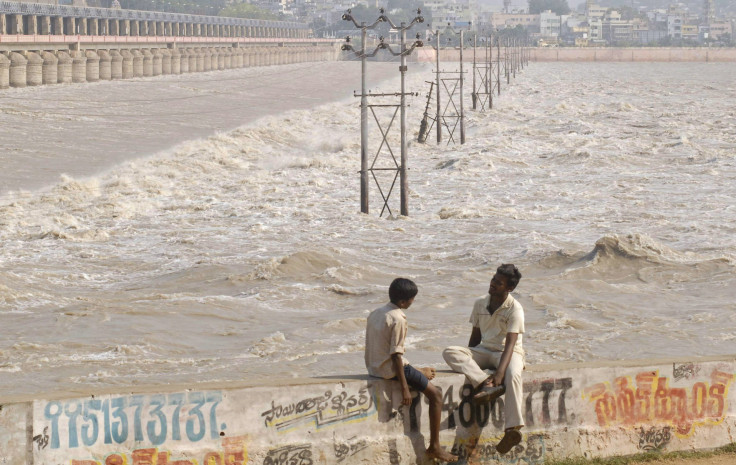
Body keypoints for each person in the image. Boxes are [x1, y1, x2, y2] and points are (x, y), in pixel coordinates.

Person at [365, 278, 458, 463]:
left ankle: (419, 371)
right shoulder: (398, 318)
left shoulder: (376, 312)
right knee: (436, 395)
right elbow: (396, 356)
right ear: (403, 302)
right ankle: (435, 447)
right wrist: (405, 386)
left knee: (419, 371)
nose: (412, 302)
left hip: (373, 367)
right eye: (412, 299)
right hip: (390, 369)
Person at [442, 264, 525, 455]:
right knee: (450, 351)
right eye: (493, 279)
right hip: (484, 350)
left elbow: (511, 344)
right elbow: (475, 335)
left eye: (498, 282)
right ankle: (483, 381)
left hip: (507, 353)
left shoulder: (515, 309)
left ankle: (512, 430)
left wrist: (500, 374)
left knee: (513, 375)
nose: (493, 284)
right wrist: (469, 356)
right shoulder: (480, 303)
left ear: (509, 288)